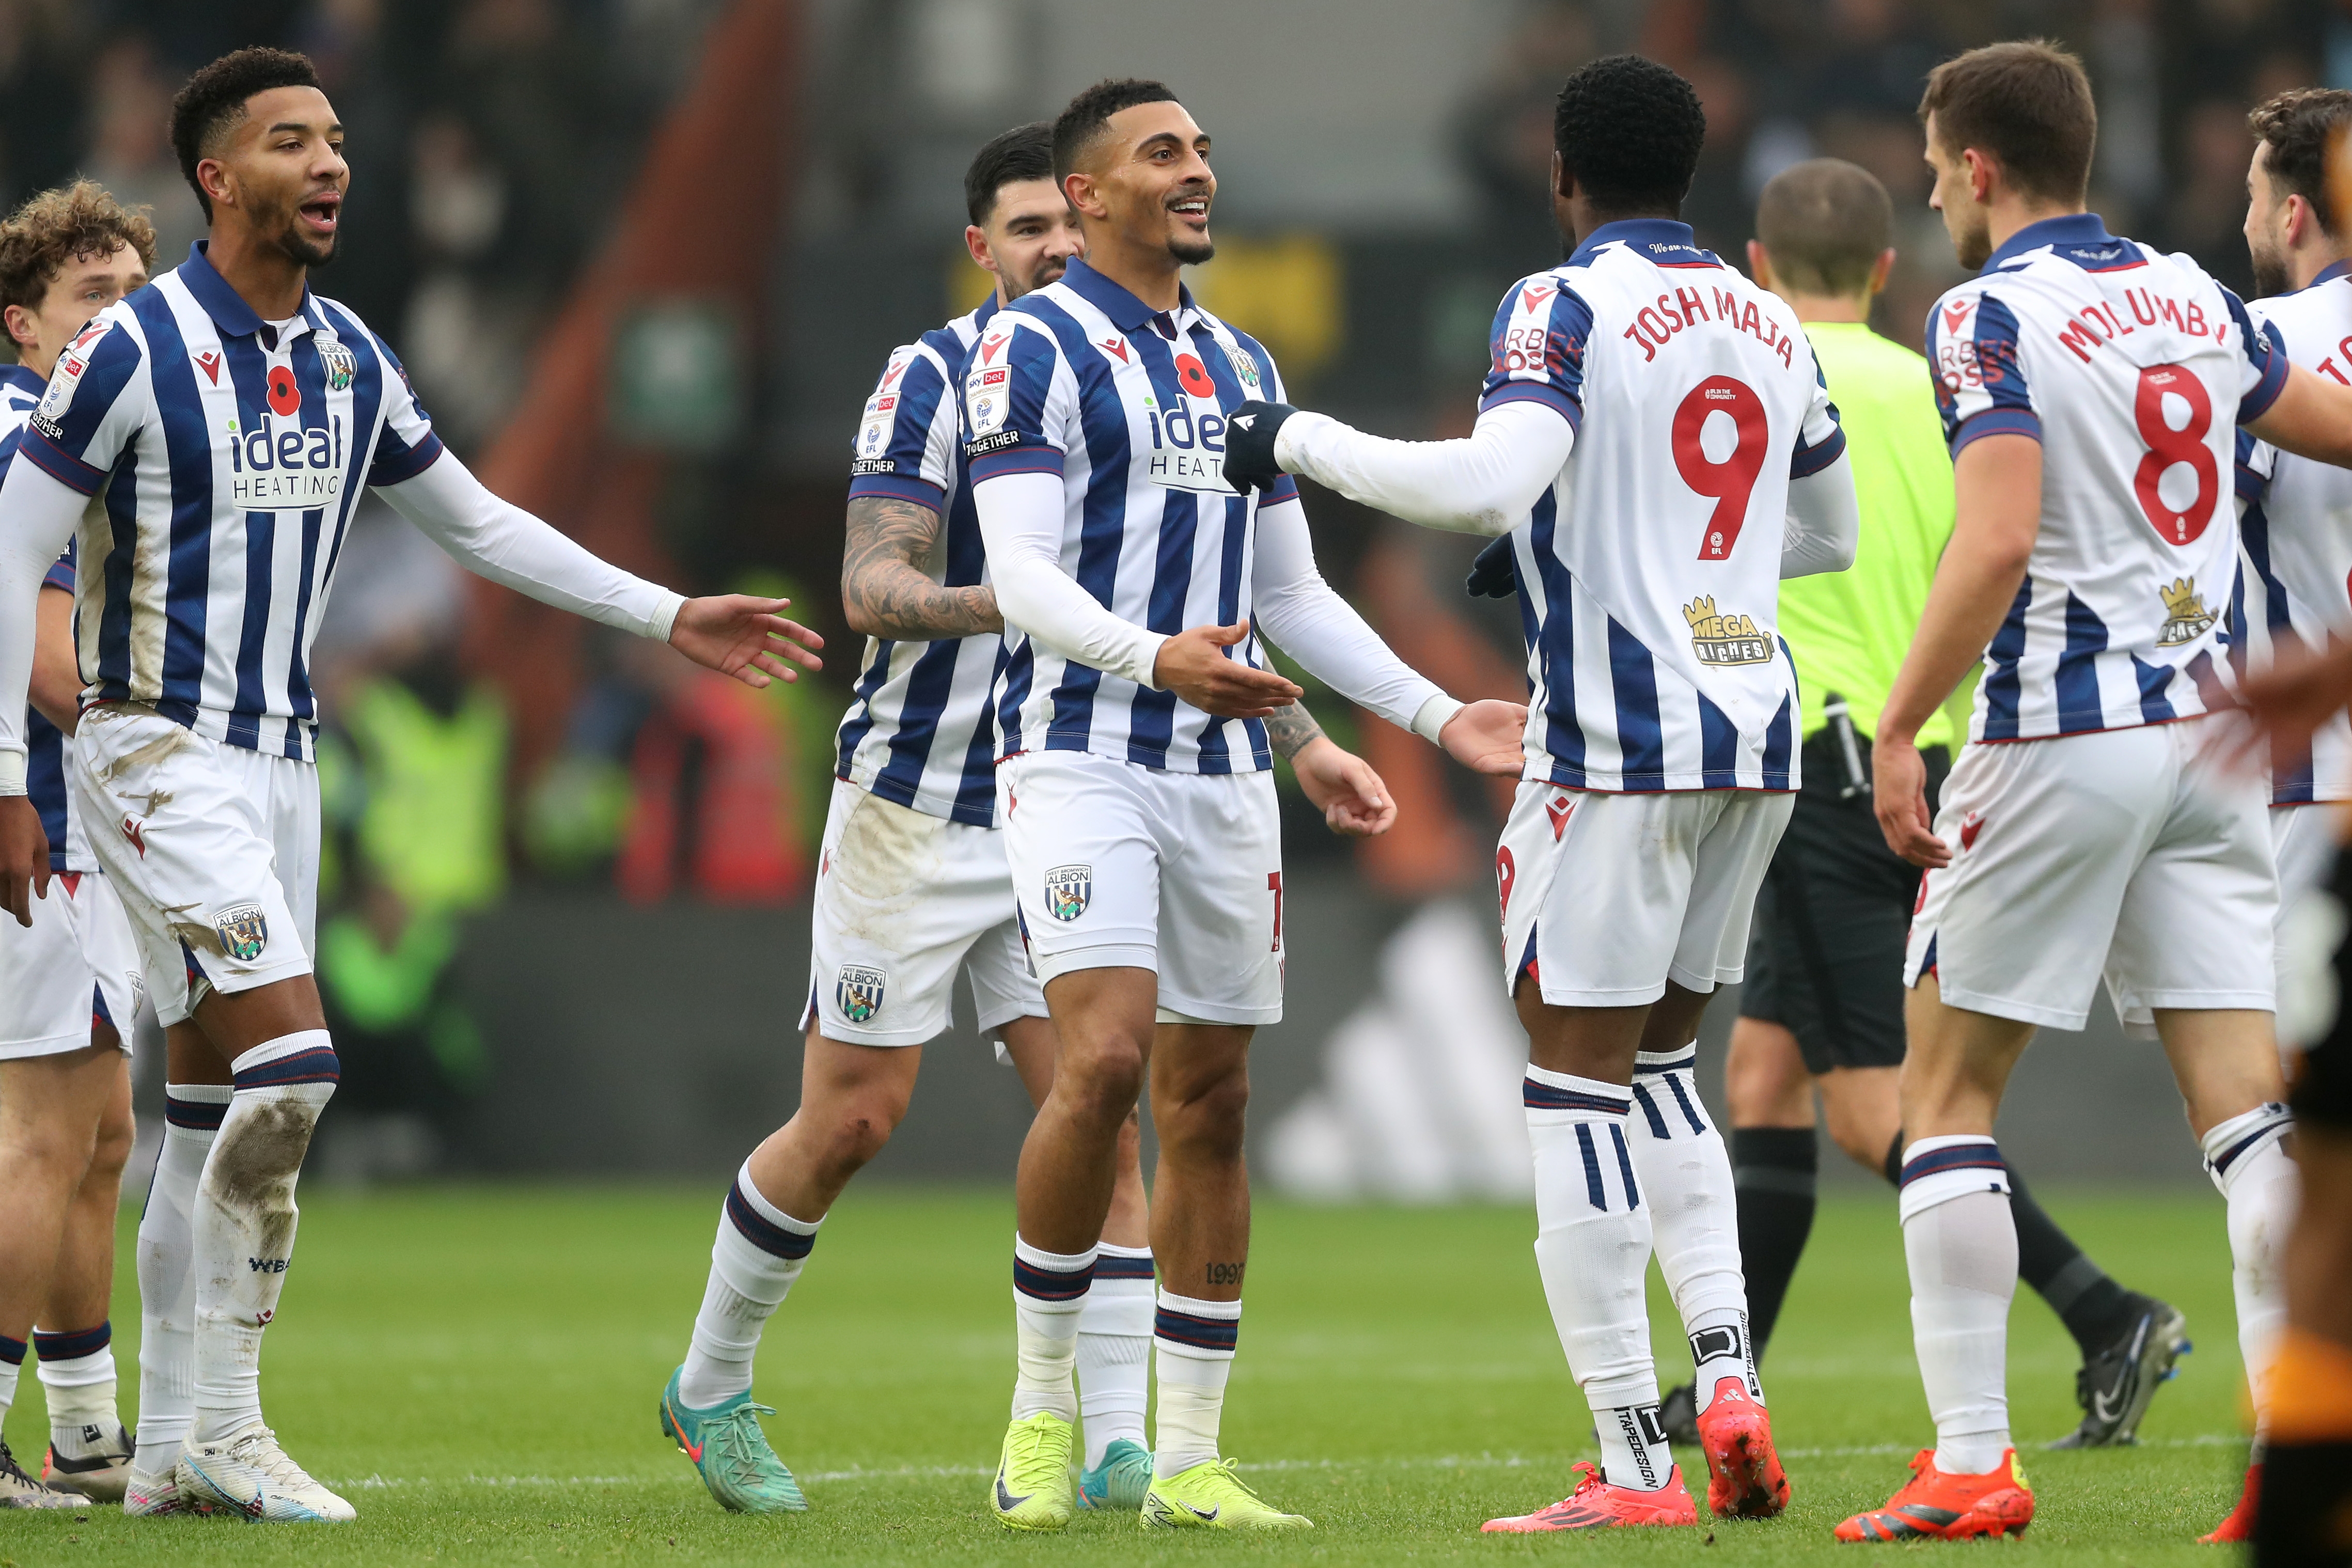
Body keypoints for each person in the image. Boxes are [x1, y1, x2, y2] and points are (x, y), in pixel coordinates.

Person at [0, 48, 824, 1523]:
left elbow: (482, 524)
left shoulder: (345, 358)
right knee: (297, 1071)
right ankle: (236, 1428)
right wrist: (9, 776)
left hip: (283, 766)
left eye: (334, 142)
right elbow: (10, 553)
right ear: (216, 175)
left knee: (201, 1119)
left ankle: (173, 1440)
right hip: (151, 750)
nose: (330, 165)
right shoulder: (128, 349)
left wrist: (667, 612)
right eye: (290, 143)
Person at [1225, 53, 1857, 1532]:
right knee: (1660, 1074)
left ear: (1560, 175)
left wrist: (1292, 438)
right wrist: (1669, 550)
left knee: (1571, 1085)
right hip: (1751, 732)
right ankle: (1730, 1379)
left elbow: (1478, 481)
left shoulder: (1559, 300)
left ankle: (1637, 1466)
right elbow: (1817, 530)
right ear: (1691, 173)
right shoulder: (1766, 316)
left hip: (1620, 743)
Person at [965, 77, 1526, 1533]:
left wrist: (1417, 713)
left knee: (1210, 1099)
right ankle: (1040, 1413)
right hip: (1078, 752)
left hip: (1221, 773)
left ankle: (1194, 1456)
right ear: (1086, 198)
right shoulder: (1026, 347)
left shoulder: (1239, 363)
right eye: (1164, 153)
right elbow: (1021, 574)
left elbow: (1286, 594)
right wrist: (1153, 656)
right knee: (1097, 1063)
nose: (1198, 170)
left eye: (1203, 148)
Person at [1841, 41, 2352, 1543]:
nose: (1935, 191)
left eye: (1937, 168)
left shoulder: (1982, 315)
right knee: (2251, 1118)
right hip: (2214, 752)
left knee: (1939, 1100)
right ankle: (2288, 1451)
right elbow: (2328, 424)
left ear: (1979, 169)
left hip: (2057, 736)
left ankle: (1971, 1460)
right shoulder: (2195, 291)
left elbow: (1995, 541)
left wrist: (1895, 724)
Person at [662, 121, 1176, 1518]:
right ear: (981, 249)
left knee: (1103, 1087)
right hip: (920, 802)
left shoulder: (1150, 367)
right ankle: (710, 1384)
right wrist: (1009, 594)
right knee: (852, 1120)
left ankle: (1116, 1434)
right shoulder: (931, 378)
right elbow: (871, 588)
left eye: (1069, 224)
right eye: (1026, 232)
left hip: (1067, 793)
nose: (1056, 250)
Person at [1695, 157, 2183, 1453]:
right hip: (1941, 757)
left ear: (1756, 267)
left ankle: (2107, 1312)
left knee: (1876, 1112)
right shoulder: (1940, 380)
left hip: (1826, 761)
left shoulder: (1759, 379)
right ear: (1885, 269)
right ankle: (1721, 1389)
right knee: (1762, 1074)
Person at [0, 180, 152, 1509]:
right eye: (91, 298)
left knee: (100, 1131)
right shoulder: (35, 439)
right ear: (24, 325)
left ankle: (90, 1433)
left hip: (58, 832)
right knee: (43, 1137)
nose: (118, 322)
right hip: (41, 827)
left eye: (133, 297)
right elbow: (55, 671)